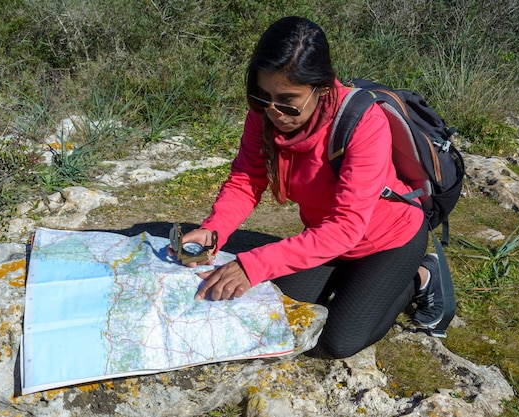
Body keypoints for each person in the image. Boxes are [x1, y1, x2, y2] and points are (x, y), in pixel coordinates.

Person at [169, 16, 445, 359]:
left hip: (388, 240)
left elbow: (347, 226)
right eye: (262, 96)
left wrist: (252, 264)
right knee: (276, 315)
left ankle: (421, 276)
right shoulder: (263, 114)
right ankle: (355, 282)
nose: (274, 112)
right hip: (326, 239)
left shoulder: (364, 123)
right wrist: (212, 231)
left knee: (335, 342)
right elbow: (246, 179)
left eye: (288, 101)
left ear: (323, 88)